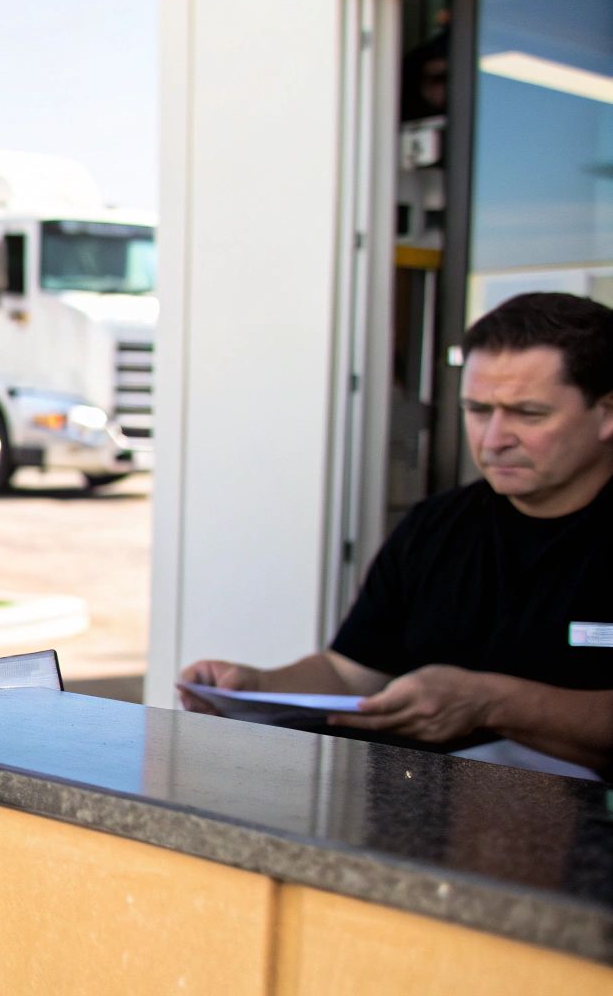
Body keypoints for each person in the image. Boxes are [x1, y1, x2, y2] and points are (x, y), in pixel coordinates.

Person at [179, 292, 613, 775]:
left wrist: (493, 702)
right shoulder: (436, 524)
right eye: (477, 410)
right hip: (413, 813)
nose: (493, 439)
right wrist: (255, 687)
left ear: (608, 414)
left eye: (528, 413)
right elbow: (352, 671)